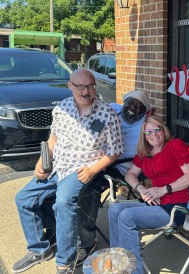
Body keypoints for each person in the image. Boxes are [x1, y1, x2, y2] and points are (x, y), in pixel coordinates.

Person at [13, 68, 124, 274]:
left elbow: (115, 151)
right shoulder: (61, 108)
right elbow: (53, 140)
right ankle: (39, 249)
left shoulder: (107, 113)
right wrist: (41, 161)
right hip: (57, 166)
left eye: (90, 86)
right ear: (70, 86)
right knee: (23, 199)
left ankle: (65, 262)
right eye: (80, 86)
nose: (86, 91)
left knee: (63, 202)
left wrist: (92, 170)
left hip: (83, 167)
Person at [40, 90, 152, 266]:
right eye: (130, 102)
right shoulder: (112, 109)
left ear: (144, 111)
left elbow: (164, 140)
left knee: (87, 190)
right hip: (90, 158)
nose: (132, 108)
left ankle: (86, 242)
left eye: (139, 107)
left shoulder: (146, 125)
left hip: (117, 167)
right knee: (51, 185)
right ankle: (56, 228)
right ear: (124, 102)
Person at [108, 116, 189, 274]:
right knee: (114, 210)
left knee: (127, 216)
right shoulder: (145, 152)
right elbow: (130, 174)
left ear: (164, 130)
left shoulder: (174, 145)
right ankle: (118, 262)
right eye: (148, 131)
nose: (153, 134)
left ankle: (132, 270)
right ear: (144, 135)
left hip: (176, 206)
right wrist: (141, 189)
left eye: (157, 129)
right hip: (155, 202)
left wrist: (163, 189)